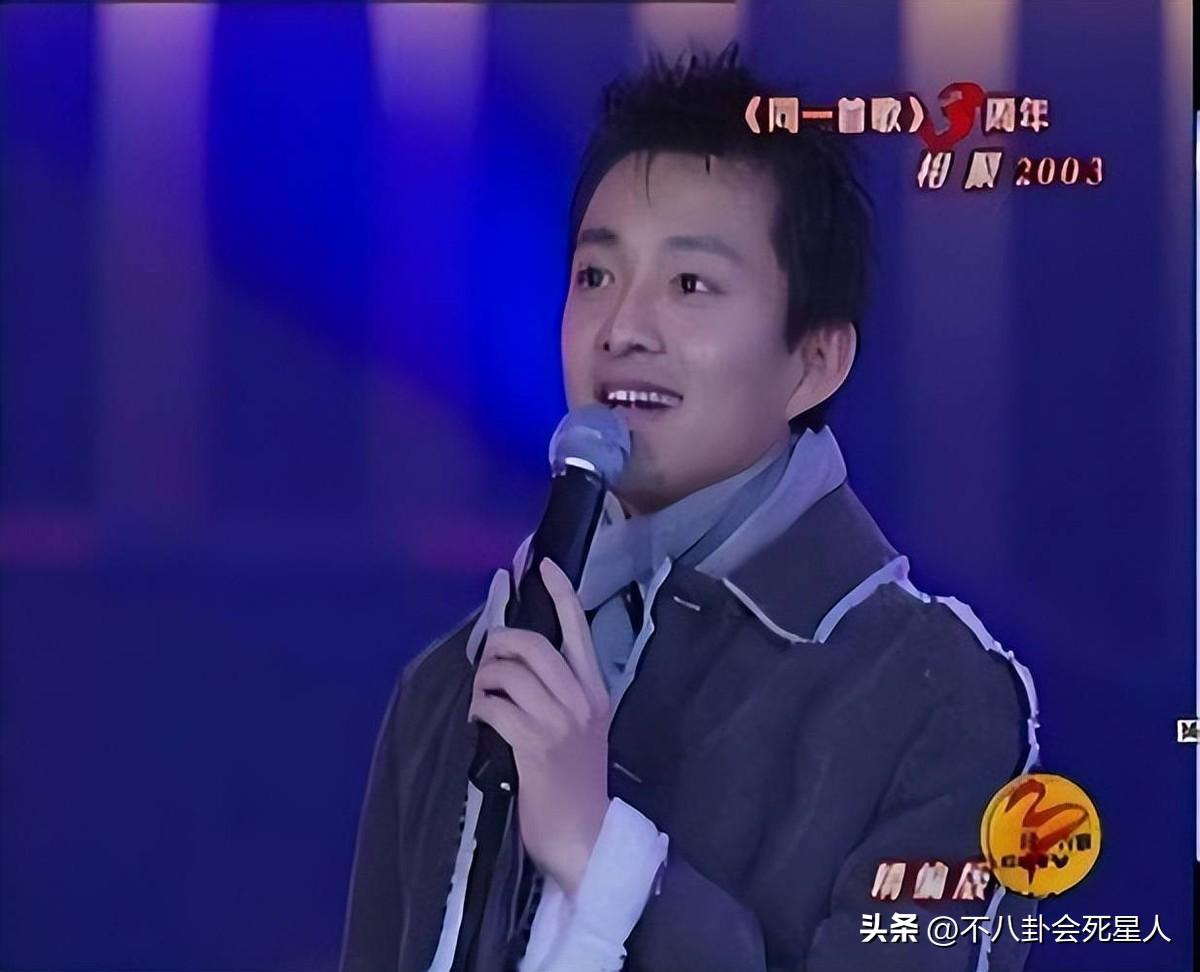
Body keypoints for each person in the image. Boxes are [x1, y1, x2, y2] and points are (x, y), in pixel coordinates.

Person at [339, 47, 1038, 972]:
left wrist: (601, 856)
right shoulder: (454, 683)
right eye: (595, 276)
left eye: (690, 285)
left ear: (814, 362)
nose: (623, 329)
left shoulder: (933, 695)